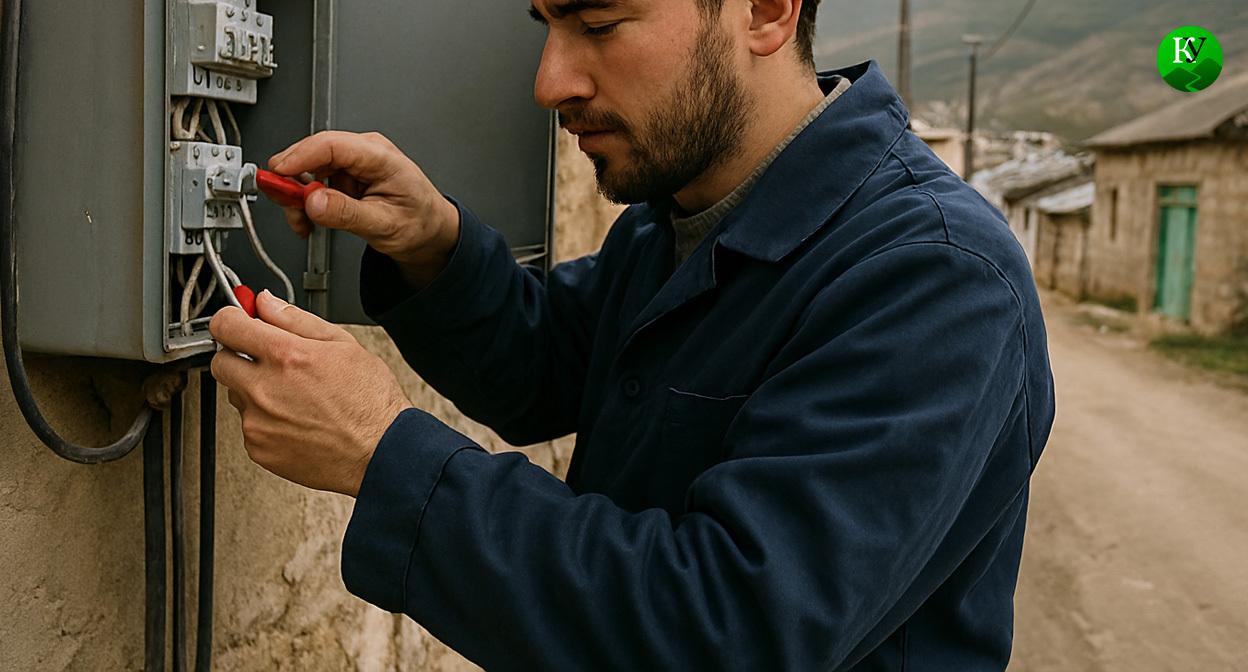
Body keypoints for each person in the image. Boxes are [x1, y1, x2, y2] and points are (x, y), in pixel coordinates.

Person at [208, 0, 1056, 669]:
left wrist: (380, 453)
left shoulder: (935, 278)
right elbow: (550, 365)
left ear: (766, 10)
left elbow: (727, 631)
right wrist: (434, 246)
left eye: (600, 23)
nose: (550, 83)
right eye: (546, 26)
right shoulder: (679, 216)